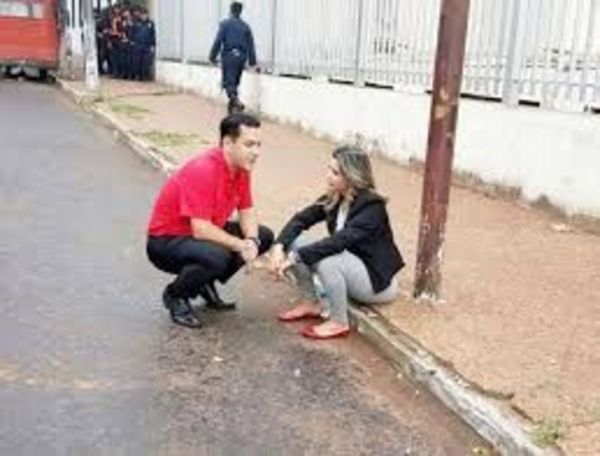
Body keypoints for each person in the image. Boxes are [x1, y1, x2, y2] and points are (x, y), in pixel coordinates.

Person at [146, 113, 274, 328]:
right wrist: (241, 245)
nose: (256, 152)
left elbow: (246, 210)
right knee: (217, 256)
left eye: (259, 145)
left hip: (201, 234)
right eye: (249, 145)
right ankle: (175, 295)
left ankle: (202, 281)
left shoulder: (241, 168)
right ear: (227, 142)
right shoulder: (204, 169)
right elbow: (201, 230)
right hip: (166, 241)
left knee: (264, 236)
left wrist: (252, 240)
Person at [269, 146, 404, 339]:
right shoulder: (335, 198)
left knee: (327, 258)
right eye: (329, 170)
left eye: (335, 173)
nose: (328, 177)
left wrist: (294, 258)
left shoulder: (372, 207)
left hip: (375, 283)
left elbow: (338, 242)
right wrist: (279, 246)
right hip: (349, 269)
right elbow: (301, 220)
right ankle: (311, 303)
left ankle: (339, 321)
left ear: (351, 175)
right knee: (296, 241)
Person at [209, 1, 257, 114]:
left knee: (228, 84)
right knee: (234, 84)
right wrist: (252, 62)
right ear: (240, 12)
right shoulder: (246, 27)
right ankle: (231, 112)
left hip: (229, 57)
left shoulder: (225, 24)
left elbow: (218, 41)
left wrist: (212, 57)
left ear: (230, 11)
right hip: (241, 58)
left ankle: (237, 102)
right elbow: (251, 45)